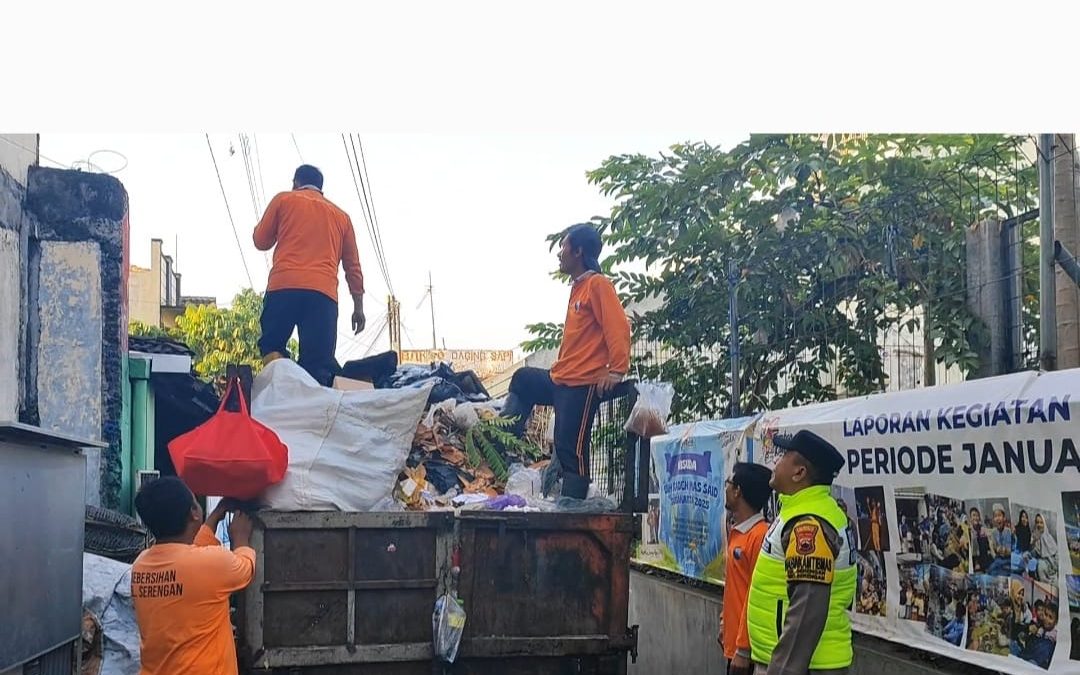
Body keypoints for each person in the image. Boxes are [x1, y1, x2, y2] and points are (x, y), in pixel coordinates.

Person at [500, 223, 631, 499]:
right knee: (522, 380)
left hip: (580, 385)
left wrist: (616, 371)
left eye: (564, 247)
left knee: (572, 451)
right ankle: (500, 442)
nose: (560, 253)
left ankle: (574, 511)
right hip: (560, 377)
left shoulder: (598, 285)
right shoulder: (579, 288)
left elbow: (618, 328)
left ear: (579, 251)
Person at [744, 430, 857, 675]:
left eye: (784, 456)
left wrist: (783, 669)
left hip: (803, 667)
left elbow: (807, 610)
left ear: (799, 472)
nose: (775, 461)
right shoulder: (799, 511)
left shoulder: (809, 524)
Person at [253, 164, 366, 386]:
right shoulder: (342, 217)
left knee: (272, 345)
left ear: (296, 183)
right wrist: (358, 308)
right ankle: (312, 411)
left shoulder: (284, 200)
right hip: (323, 297)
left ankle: (280, 392)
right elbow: (353, 267)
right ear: (321, 188)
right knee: (318, 364)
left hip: (283, 288)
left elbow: (260, 241)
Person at [131, 477, 255, 675]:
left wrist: (215, 516)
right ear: (193, 513)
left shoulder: (141, 564)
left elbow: (189, 555)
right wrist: (241, 537)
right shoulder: (209, 563)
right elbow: (245, 568)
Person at [720, 462, 773, 675]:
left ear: (738, 491)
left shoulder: (760, 536)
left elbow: (756, 596)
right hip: (733, 645)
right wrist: (724, 623)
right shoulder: (737, 532)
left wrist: (743, 649)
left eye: (728, 483)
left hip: (748, 652)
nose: (726, 488)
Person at [987, 504, 1015, 576]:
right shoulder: (993, 532)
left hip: (1008, 560)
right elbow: (993, 549)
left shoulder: (1008, 531)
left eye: (999, 515)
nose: (997, 518)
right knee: (991, 570)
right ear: (993, 519)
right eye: (995, 516)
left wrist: (1005, 550)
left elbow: (1011, 549)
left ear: (1004, 518)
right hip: (998, 560)